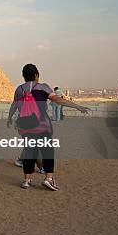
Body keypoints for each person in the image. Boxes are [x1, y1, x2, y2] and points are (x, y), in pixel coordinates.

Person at [7, 63, 90, 191]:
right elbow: (58, 100)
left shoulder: (19, 89)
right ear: (36, 75)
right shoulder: (43, 87)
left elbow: (14, 105)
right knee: (47, 151)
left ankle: (26, 180)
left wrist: (9, 118)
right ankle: (48, 179)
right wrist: (77, 106)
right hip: (42, 125)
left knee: (29, 151)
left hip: (25, 126)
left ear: (23, 76)